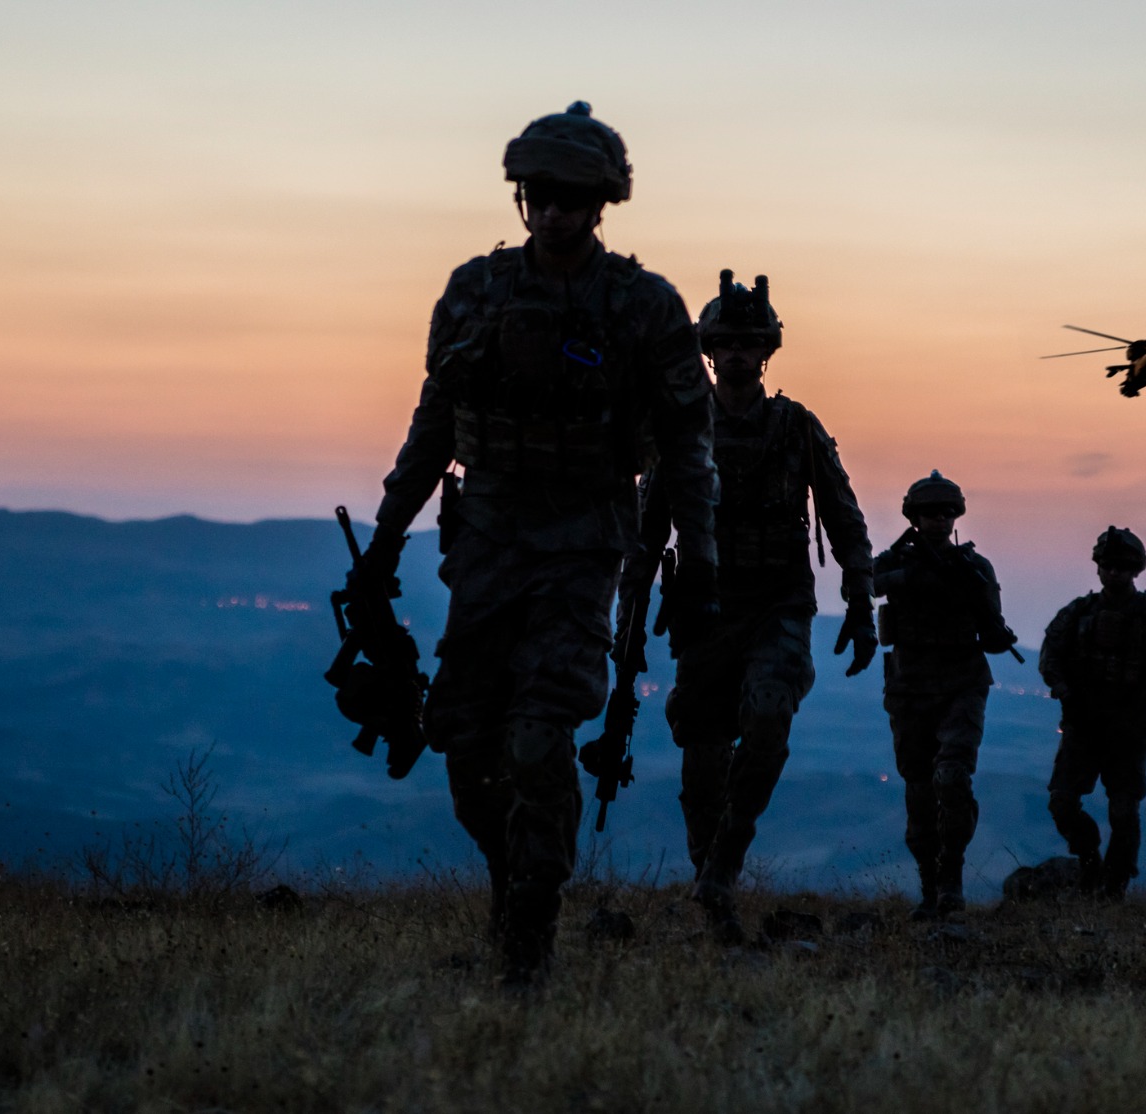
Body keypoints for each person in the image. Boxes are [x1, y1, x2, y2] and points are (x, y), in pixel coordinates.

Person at [362, 102, 719, 983]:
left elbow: (688, 444)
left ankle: (531, 929)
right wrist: (382, 542)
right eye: (542, 195)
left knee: (538, 736)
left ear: (601, 205)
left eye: (573, 197)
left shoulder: (643, 306)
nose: (556, 211)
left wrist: (699, 562)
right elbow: (435, 419)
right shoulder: (474, 292)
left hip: (584, 542)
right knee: (465, 745)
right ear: (523, 197)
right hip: (484, 541)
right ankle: (508, 877)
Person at [620, 269, 875, 943]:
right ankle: (712, 888)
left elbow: (844, 518)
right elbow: (647, 534)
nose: (736, 353)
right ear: (709, 349)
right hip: (706, 608)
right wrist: (629, 621)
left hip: (780, 603)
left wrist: (860, 598)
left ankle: (724, 866)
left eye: (749, 342)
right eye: (725, 342)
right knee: (703, 750)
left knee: (768, 716)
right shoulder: (684, 429)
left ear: (766, 351)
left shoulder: (795, 427)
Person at [873, 471, 1018, 919]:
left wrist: (980, 607)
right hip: (911, 686)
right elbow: (861, 587)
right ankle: (930, 890)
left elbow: (993, 631)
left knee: (952, 778)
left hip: (961, 682)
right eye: (929, 513)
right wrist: (905, 577)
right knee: (918, 791)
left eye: (946, 513)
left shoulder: (974, 567)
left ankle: (951, 879)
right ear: (913, 517)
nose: (938, 520)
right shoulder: (892, 563)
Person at [1038, 526, 1146, 899]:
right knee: (1062, 802)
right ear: (1098, 567)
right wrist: (1064, 692)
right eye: (1108, 566)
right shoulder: (1078, 612)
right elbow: (1050, 658)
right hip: (1083, 723)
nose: (1114, 573)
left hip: (1130, 723)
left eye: (1122, 567)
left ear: (1136, 570)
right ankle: (1090, 858)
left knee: (1124, 809)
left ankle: (1115, 885)